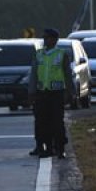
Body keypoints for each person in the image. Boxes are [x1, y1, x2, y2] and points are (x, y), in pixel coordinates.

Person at [28, 28, 72, 159]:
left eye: (47, 38)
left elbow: (67, 75)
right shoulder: (39, 54)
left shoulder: (61, 54)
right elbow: (33, 75)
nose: (45, 40)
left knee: (57, 122)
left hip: (56, 94)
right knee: (42, 122)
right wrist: (31, 92)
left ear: (55, 40)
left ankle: (60, 148)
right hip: (42, 94)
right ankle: (47, 148)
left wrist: (70, 92)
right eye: (44, 38)